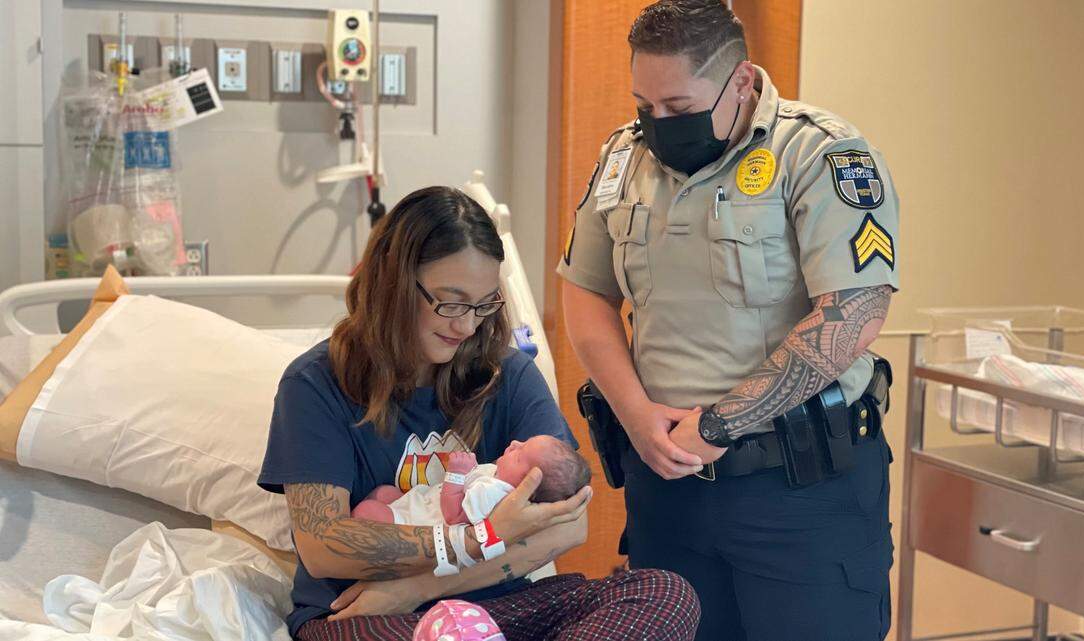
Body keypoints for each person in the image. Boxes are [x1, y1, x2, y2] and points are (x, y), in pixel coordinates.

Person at [558, 1, 900, 640]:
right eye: (645, 106)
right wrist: (635, 413)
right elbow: (586, 294)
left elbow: (854, 314)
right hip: (668, 492)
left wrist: (720, 424)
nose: (659, 124)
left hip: (801, 491)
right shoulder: (622, 159)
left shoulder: (822, 155)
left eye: (680, 108)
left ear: (742, 81)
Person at [258, 186, 699, 641]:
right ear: (391, 284)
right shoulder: (316, 384)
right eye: (450, 302)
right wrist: (478, 538)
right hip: (370, 616)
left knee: (664, 594)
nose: (467, 325)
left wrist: (418, 586)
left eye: (483, 304)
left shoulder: (507, 374)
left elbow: (568, 524)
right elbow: (325, 546)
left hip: (492, 606)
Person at [351, 435, 591, 525]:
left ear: (525, 485)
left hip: (419, 525)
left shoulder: (497, 493)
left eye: (520, 455)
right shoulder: (498, 476)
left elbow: (454, 516)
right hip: (424, 503)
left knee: (367, 510)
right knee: (384, 493)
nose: (514, 444)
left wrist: (456, 473)